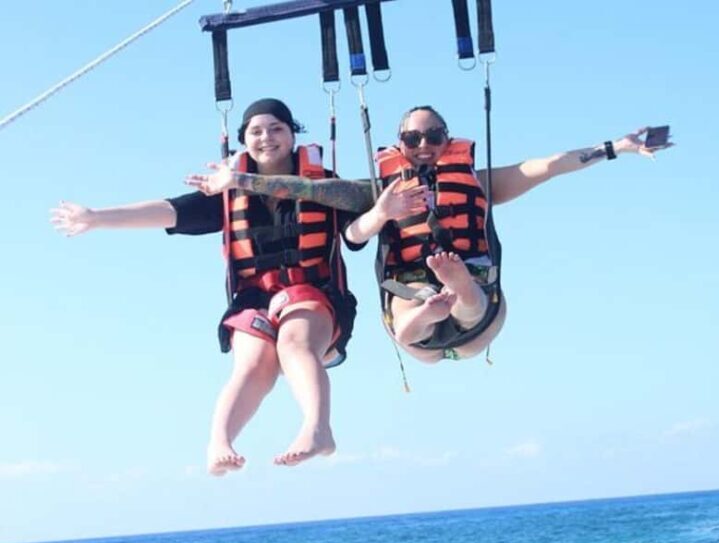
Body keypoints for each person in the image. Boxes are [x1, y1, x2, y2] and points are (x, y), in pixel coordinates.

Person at [186, 105, 673, 364]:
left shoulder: (478, 182)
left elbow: (546, 166)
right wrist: (241, 180)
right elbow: (318, 198)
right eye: (412, 138)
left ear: (447, 139)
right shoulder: (378, 189)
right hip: (413, 302)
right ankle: (432, 305)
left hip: (478, 311)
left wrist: (617, 147)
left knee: (468, 300)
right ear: (399, 144)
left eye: (434, 136)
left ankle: (454, 290)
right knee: (410, 322)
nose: (424, 145)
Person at [50, 98, 375, 476]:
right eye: (256, 131)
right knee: (253, 362)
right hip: (255, 298)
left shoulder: (323, 183)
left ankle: (318, 429)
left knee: (293, 343)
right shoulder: (225, 191)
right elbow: (170, 211)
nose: (266, 138)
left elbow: (360, 209)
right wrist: (96, 218)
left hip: (314, 293)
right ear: (243, 140)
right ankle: (220, 442)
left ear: (292, 135)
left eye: (276, 129)